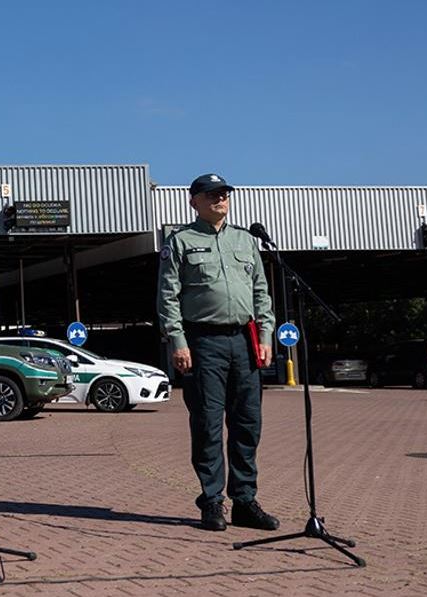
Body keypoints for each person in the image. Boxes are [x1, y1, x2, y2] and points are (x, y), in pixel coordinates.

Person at [156, 173, 280, 532]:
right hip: (203, 343)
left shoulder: (245, 239)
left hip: (244, 341)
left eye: (224, 193)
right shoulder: (180, 242)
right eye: (211, 194)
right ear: (193, 201)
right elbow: (168, 297)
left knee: (247, 423)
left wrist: (266, 336)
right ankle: (212, 501)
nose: (220, 199)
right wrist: (178, 342)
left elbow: (261, 292)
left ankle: (244, 501)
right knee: (208, 425)